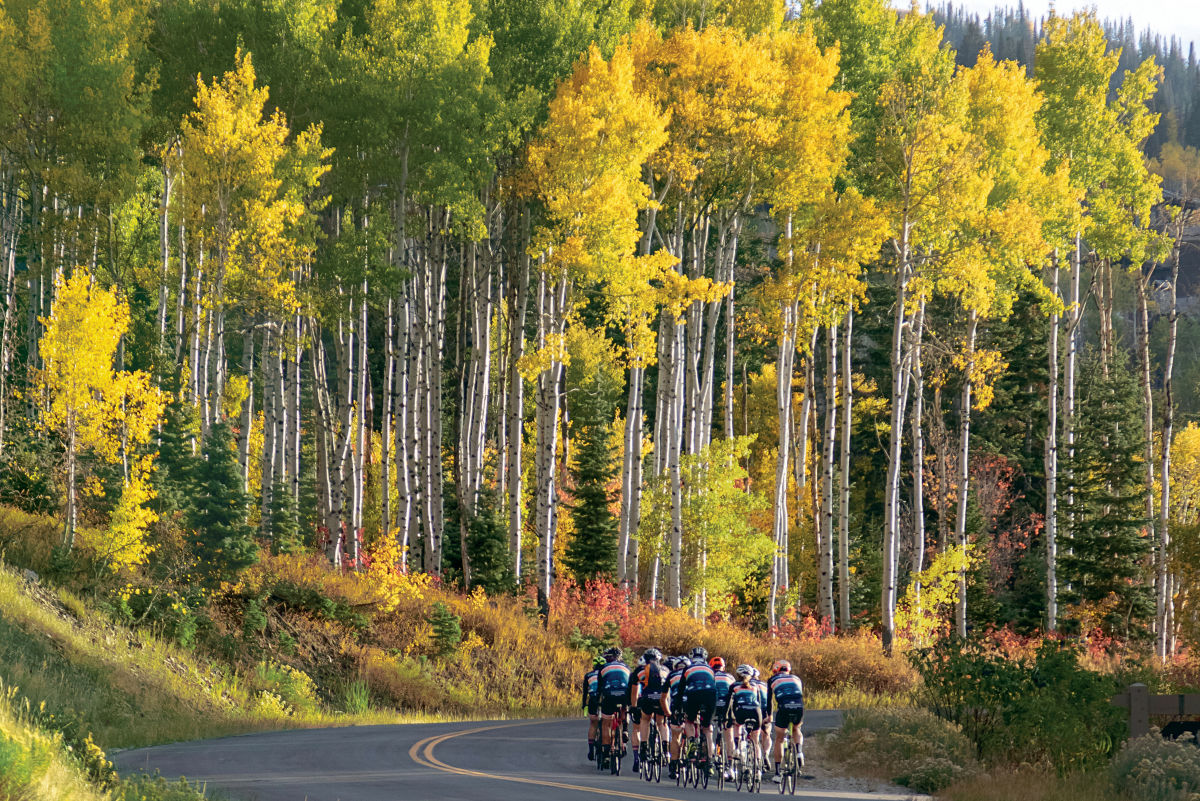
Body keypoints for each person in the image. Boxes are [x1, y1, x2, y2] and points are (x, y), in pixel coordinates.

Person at [630, 648, 668, 774]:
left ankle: (644, 747)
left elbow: (635, 691)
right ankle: (665, 747)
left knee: (645, 719)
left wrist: (634, 707)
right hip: (662, 700)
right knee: (661, 723)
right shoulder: (665, 670)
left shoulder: (640, 670)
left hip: (647, 699)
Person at [767, 659, 804, 783]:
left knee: (779, 739)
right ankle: (799, 751)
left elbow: (769, 702)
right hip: (799, 707)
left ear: (776, 670)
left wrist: (769, 716)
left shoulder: (772, 680)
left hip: (784, 707)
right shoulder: (797, 678)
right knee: (796, 728)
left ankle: (777, 773)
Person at [682, 646, 718, 776]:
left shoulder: (688, 668)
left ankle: (692, 742)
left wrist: (679, 708)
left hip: (694, 695)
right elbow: (714, 686)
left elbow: (681, 689)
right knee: (707, 728)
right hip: (710, 695)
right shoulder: (710, 669)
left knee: (690, 720)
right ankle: (709, 762)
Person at [725, 664, 764, 781]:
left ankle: (737, 746)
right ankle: (758, 770)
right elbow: (760, 703)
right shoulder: (756, 686)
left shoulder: (733, 686)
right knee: (755, 741)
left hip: (741, 711)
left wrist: (728, 718)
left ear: (738, 675)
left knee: (737, 725)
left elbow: (729, 705)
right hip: (756, 712)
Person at [598, 646, 631, 771]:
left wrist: (598, 702)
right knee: (624, 708)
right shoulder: (626, 667)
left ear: (609, 657)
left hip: (609, 694)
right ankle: (625, 730)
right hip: (623, 694)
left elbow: (599, 688)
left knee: (606, 723)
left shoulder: (603, 668)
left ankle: (606, 754)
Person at [709, 657, 735, 779]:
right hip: (726, 707)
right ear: (723, 667)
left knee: (707, 729)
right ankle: (731, 767)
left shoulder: (709, 675)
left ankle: (711, 754)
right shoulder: (730, 677)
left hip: (713, 706)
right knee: (729, 736)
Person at [664, 655, 689, 780]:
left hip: (676, 706)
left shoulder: (672, 675)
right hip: (691, 704)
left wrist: (668, 713)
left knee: (675, 736)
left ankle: (673, 767)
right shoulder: (691, 673)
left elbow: (665, 697)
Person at [583, 655, 603, 760]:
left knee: (593, 724)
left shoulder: (588, 675)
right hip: (604, 699)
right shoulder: (605, 673)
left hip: (593, 700)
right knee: (606, 723)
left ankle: (591, 750)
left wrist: (584, 705)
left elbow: (585, 692)